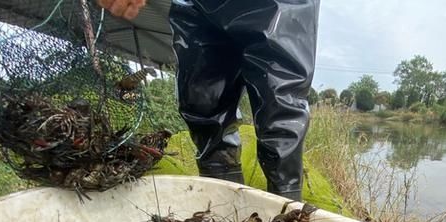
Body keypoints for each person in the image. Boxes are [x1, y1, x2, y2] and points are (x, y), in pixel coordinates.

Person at [98, 0, 320, 202]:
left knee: (279, 98)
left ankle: (287, 209)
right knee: (202, 98)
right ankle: (222, 203)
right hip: (196, 6)